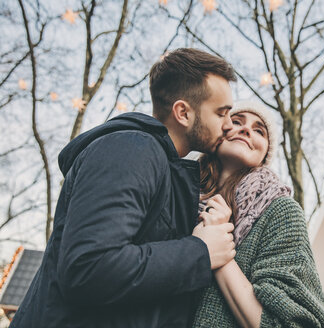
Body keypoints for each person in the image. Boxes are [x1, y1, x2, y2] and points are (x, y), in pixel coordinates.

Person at [11, 48, 238, 328]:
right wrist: (199, 253)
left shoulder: (160, 165)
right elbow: (90, 267)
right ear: (183, 113)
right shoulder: (131, 149)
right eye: (221, 113)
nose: (229, 126)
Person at [193, 100, 324, 327]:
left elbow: (297, 323)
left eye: (259, 130)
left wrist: (219, 248)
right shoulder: (175, 196)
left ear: (265, 153)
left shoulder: (281, 212)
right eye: (236, 122)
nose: (246, 129)